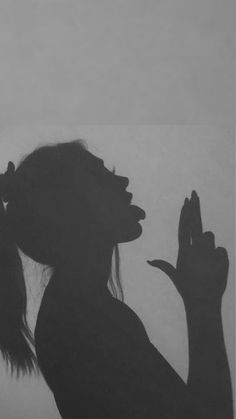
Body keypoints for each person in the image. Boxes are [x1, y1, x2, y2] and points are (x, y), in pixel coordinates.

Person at [0, 140, 233, 418]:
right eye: (102, 174)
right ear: (74, 207)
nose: (121, 180)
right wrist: (202, 305)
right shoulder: (88, 321)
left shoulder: (74, 312)